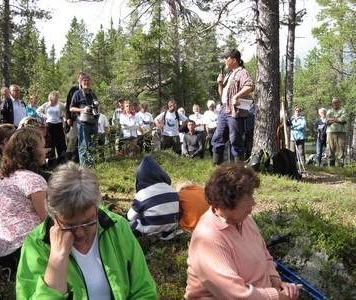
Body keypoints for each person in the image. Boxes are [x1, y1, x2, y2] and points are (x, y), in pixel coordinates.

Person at [16, 162, 157, 299]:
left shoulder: (116, 227)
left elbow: (144, 290)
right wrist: (57, 259)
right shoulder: (36, 245)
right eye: (69, 225)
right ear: (53, 217)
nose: (80, 233)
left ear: (96, 208)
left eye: (88, 222)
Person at [185, 163, 302, 300]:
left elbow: (265, 257)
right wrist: (278, 296)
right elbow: (235, 294)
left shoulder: (245, 221)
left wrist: (277, 282)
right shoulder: (208, 237)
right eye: (248, 197)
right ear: (226, 201)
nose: (253, 202)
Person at [0, 127, 47, 275]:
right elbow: (50, 221)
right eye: (42, 146)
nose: (46, 150)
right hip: (23, 253)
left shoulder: (4, 177)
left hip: (2, 254)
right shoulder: (33, 180)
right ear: (32, 151)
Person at [212, 49, 254, 164]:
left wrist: (237, 96)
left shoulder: (242, 72)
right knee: (218, 137)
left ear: (234, 60)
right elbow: (222, 95)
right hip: (224, 109)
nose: (225, 60)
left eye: (227, 58)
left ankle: (238, 169)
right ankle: (217, 167)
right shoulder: (229, 74)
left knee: (235, 139)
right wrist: (220, 84)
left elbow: (249, 86)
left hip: (235, 111)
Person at [127, 156, 180, 239]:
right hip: (171, 229)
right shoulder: (171, 189)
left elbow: (130, 216)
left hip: (150, 230)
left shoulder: (143, 193)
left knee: (129, 224)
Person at [70, 74, 99, 166]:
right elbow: (71, 108)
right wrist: (83, 109)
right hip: (83, 122)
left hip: (93, 122)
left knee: (93, 144)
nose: (86, 82)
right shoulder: (77, 94)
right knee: (83, 145)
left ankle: (92, 164)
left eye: (88, 81)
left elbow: (97, 105)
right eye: (84, 81)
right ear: (81, 83)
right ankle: (84, 167)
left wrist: (97, 109)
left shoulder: (92, 94)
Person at [37, 91, 67, 164]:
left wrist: (63, 117)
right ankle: (51, 161)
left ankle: (62, 160)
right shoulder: (47, 105)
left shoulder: (60, 105)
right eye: (54, 96)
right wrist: (46, 116)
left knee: (60, 142)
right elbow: (38, 111)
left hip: (58, 125)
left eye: (57, 96)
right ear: (51, 97)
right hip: (49, 125)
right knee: (50, 143)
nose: (56, 98)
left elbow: (65, 113)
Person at [65, 72, 85, 162]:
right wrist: (68, 117)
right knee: (73, 138)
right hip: (74, 117)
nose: (82, 80)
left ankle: (79, 158)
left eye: (83, 79)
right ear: (78, 80)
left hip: (85, 119)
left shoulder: (88, 90)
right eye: (80, 78)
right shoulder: (73, 90)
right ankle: (68, 158)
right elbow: (68, 104)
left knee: (82, 138)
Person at [326, 97, 347, 167]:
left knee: (341, 148)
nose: (335, 103)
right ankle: (331, 166)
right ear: (332, 103)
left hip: (341, 132)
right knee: (330, 148)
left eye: (336, 102)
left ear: (339, 103)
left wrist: (332, 119)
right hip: (330, 132)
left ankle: (340, 166)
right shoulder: (329, 111)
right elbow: (326, 121)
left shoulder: (343, 110)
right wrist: (337, 119)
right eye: (334, 102)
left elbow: (343, 119)